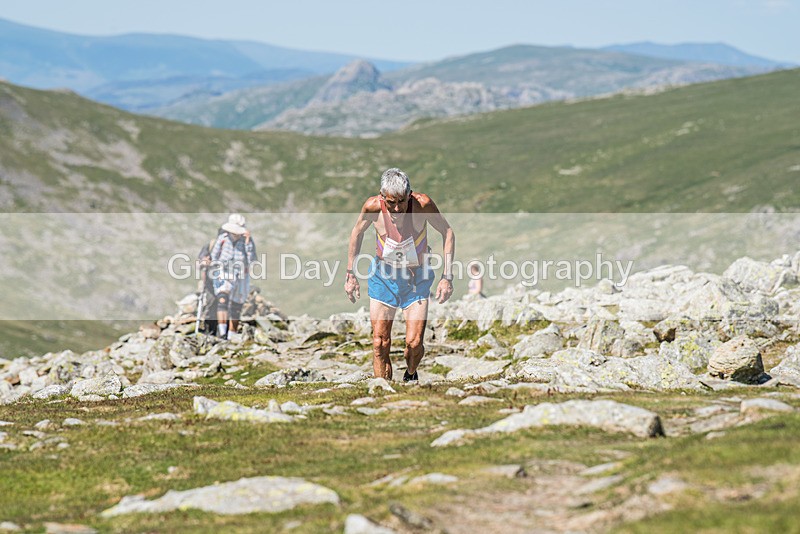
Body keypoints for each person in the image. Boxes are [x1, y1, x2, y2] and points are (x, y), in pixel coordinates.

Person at [345, 168, 455, 381]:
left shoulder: (423, 205)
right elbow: (357, 232)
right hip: (383, 278)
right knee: (379, 342)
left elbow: (447, 231)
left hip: (416, 279)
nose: (397, 209)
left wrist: (446, 277)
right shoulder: (372, 207)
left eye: (402, 202)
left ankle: (411, 373)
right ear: (381, 197)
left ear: (410, 194)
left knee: (414, 344)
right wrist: (350, 274)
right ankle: (383, 393)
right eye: (391, 203)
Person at [209, 213, 257, 339]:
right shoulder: (223, 238)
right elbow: (214, 256)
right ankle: (223, 332)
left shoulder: (247, 241)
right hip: (224, 271)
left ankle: (232, 335)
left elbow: (252, 259)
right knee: (222, 299)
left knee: (236, 306)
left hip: (241, 274)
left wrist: (247, 242)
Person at [196, 227, 225, 335]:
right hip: (211, 282)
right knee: (211, 304)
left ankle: (223, 333)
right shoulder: (211, 246)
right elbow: (200, 262)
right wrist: (204, 263)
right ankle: (210, 332)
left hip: (226, 282)